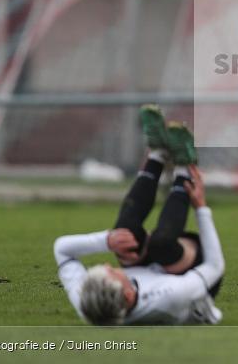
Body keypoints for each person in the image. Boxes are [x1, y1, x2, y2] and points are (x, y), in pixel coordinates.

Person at [54, 106, 224, 325]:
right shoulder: (169, 295)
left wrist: (107, 241)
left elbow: (61, 249)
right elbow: (214, 267)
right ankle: (184, 168)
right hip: (196, 273)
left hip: (148, 269)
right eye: (110, 272)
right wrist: (201, 208)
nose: (107, 265)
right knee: (161, 245)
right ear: (127, 295)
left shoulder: (88, 302)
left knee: (124, 234)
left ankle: (157, 154)